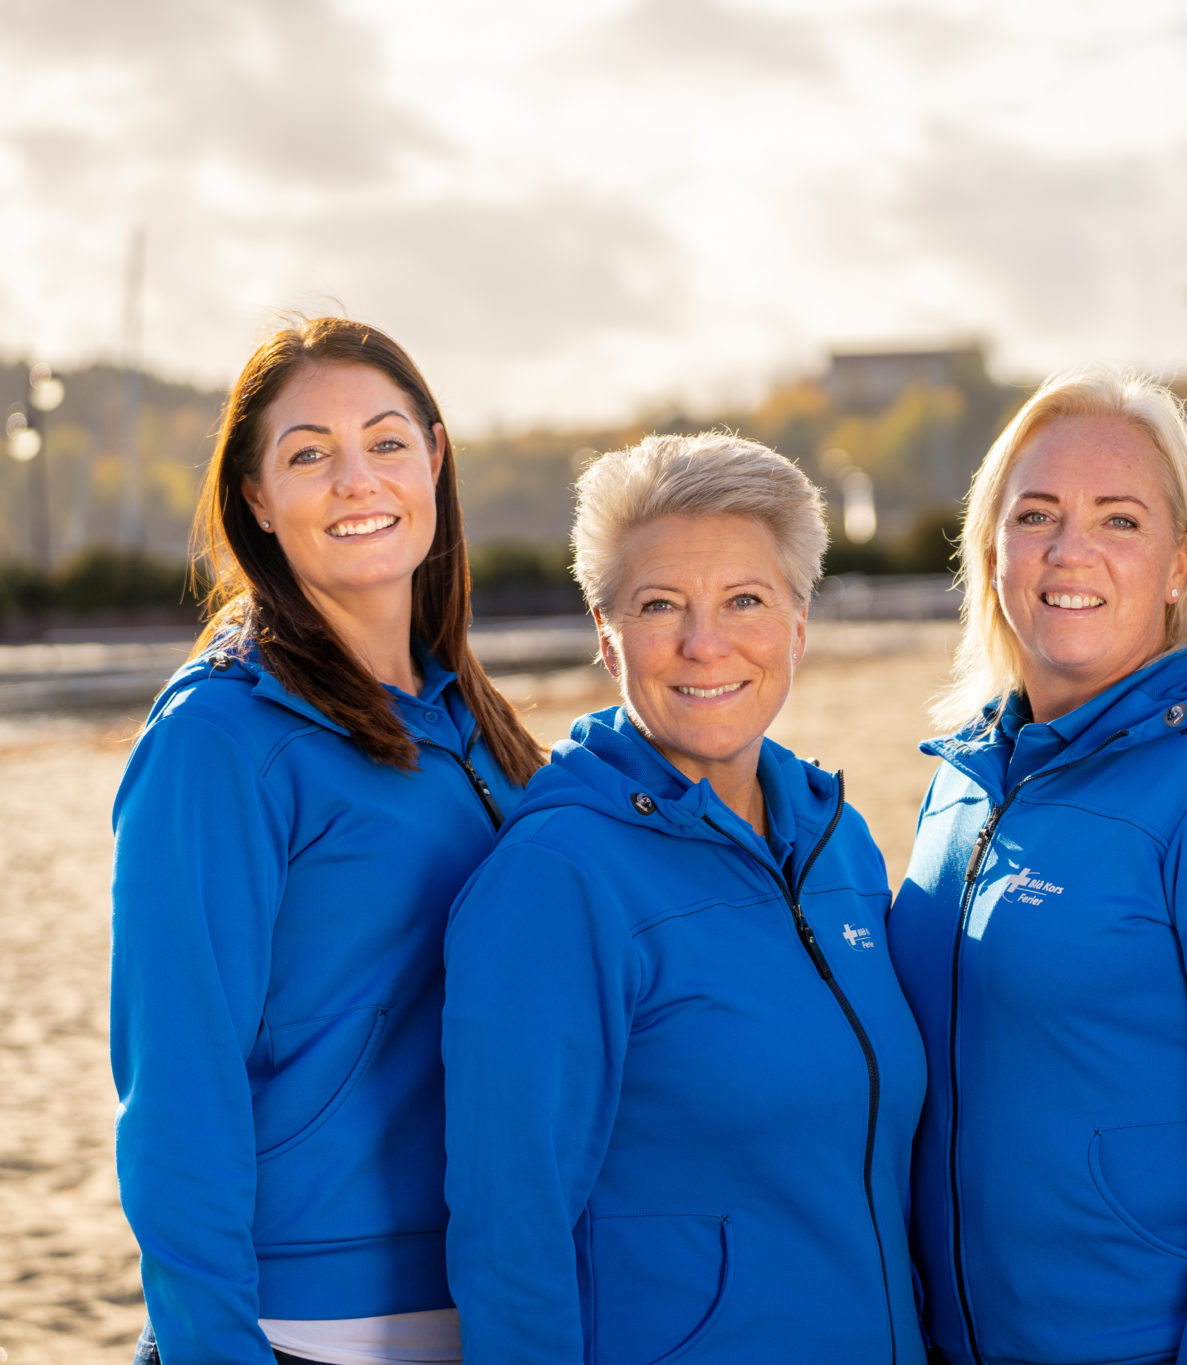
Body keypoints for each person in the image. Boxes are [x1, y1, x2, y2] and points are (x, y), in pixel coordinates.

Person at [889, 369, 1187, 1365]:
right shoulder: (966, 777)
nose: (1070, 551)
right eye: (1036, 516)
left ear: (1178, 563)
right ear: (989, 549)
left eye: (1118, 521)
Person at [111, 318, 545, 1365]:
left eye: (386, 442)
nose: (357, 480)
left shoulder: (472, 724)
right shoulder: (219, 739)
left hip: (490, 1301)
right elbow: (177, 1085)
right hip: (310, 1324)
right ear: (256, 498)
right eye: (309, 454)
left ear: (434, 461)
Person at [440, 433, 925, 1363]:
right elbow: (511, 1241)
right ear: (605, 628)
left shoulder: (838, 843)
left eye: (745, 599)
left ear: (797, 620)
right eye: (661, 604)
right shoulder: (558, 878)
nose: (705, 644)